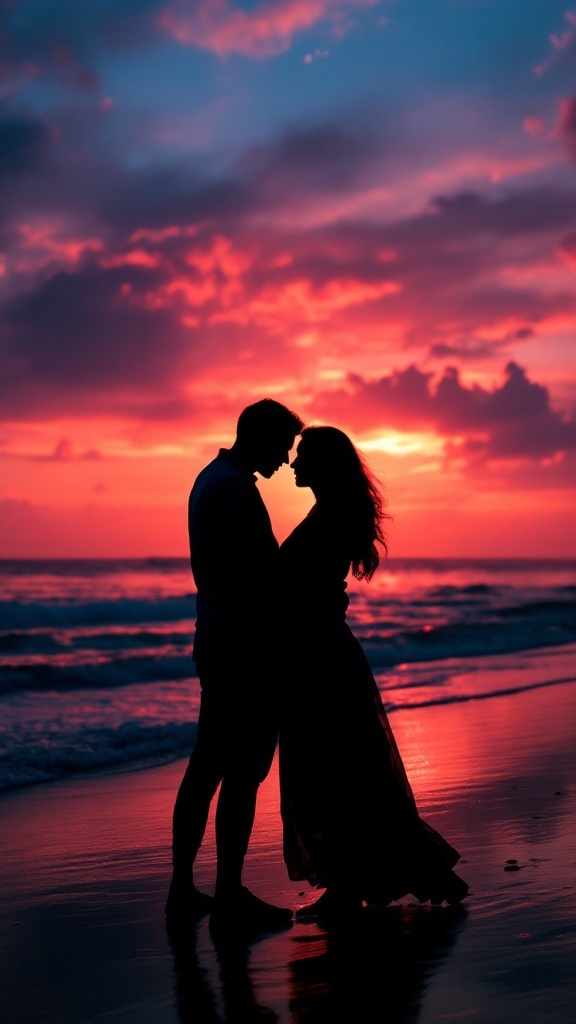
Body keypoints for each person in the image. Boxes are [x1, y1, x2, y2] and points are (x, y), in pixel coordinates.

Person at [278, 426, 469, 919]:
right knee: (345, 770)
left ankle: (346, 889)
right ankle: (358, 883)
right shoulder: (330, 511)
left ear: (323, 464)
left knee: (334, 771)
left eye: (303, 456)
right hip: (321, 652)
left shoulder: (330, 516)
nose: (294, 464)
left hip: (320, 656)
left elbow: (304, 588)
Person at [166, 398, 304, 930]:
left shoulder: (215, 478)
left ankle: (189, 887)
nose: (286, 460)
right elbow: (261, 574)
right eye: (282, 447)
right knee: (240, 771)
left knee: (210, 765)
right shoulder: (231, 489)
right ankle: (225, 892)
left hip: (222, 638)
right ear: (259, 437)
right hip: (243, 646)